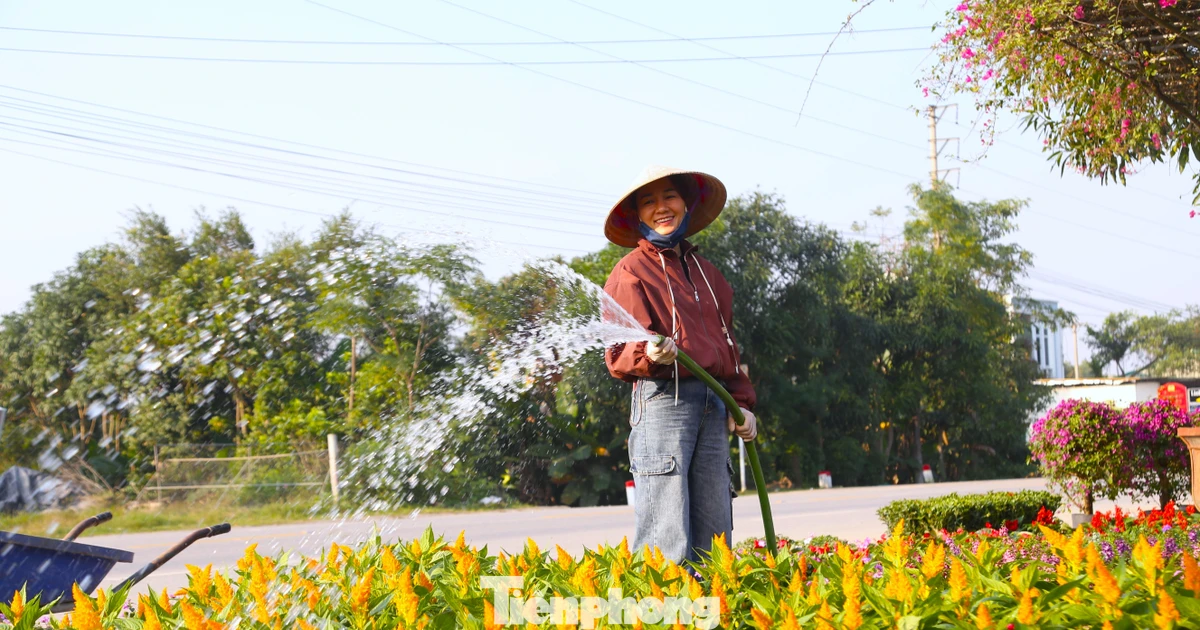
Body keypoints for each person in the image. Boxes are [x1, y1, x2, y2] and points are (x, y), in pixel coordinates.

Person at [602, 165, 758, 564]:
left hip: (713, 401)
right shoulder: (630, 273)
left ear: (686, 203)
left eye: (669, 196)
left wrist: (741, 404)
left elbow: (727, 347)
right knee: (665, 534)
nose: (661, 208)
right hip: (662, 402)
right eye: (649, 202)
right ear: (638, 215)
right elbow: (617, 353)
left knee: (715, 535)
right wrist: (649, 354)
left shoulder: (710, 276)